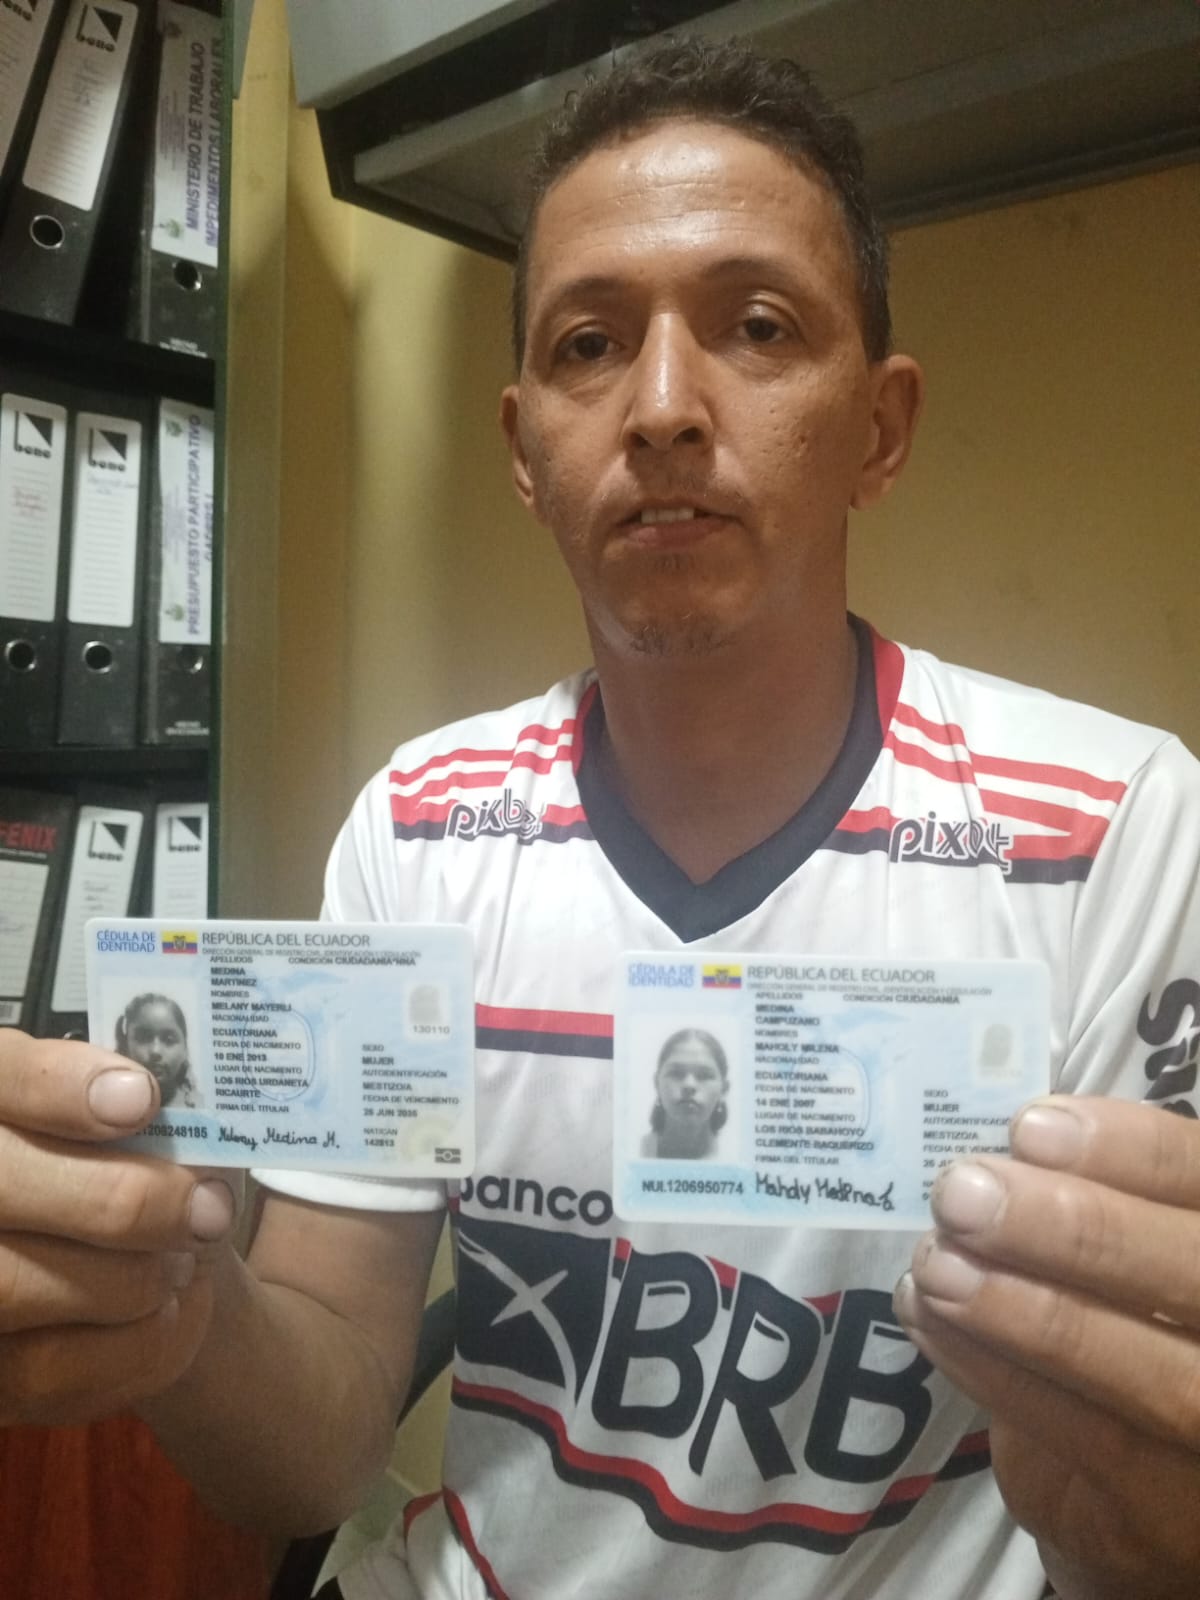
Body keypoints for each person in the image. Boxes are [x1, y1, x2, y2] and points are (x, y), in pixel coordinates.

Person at [0, 34, 1197, 1600]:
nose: (664, 407)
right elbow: (318, 1448)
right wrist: (176, 1305)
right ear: (522, 450)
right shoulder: (418, 830)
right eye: (589, 343)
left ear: (880, 427)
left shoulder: (1117, 834)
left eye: (757, 326)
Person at [641, 1027, 730, 1160]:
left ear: (724, 1089)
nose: (689, 1085)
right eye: (676, 1073)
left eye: (704, 1075)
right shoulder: (630, 1154)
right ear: (656, 1084)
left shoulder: (737, 1161)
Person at [115, 993, 201, 1110]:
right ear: (125, 1044)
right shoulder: (111, 1107)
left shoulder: (204, 1110)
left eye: (169, 1040)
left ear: (185, 1049)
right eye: (143, 1038)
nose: (155, 1051)